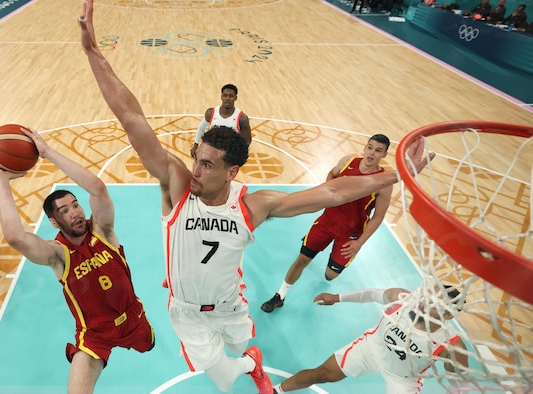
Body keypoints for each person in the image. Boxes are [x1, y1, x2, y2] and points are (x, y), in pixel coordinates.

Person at [78, 1, 434, 393]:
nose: (196, 170)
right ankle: (249, 365)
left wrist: (397, 174)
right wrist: (94, 54)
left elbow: (331, 192)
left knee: (237, 343)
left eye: (208, 165)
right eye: (197, 160)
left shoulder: (253, 204)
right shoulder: (178, 186)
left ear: (232, 172)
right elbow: (132, 119)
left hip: (232, 303)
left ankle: (249, 356)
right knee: (222, 378)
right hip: (187, 312)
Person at [0, 127, 155, 393]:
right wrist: (0, 177)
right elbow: (15, 237)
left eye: (75, 205)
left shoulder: (103, 231)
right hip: (95, 336)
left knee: (149, 345)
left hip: (134, 319)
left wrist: (48, 153)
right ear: (54, 222)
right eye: (65, 211)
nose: (75, 212)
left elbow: (98, 189)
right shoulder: (57, 254)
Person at [260, 134, 393, 313]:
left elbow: (378, 216)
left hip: (350, 234)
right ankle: (280, 296)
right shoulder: (348, 161)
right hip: (326, 223)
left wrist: (359, 243)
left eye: (378, 150)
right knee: (302, 259)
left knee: (330, 276)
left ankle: (333, 264)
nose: (371, 153)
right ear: (365, 147)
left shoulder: (383, 182)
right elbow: (333, 173)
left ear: (384, 155)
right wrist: (327, 192)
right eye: (370, 147)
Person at [271, 286, 468, 393]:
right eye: (427, 297)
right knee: (322, 374)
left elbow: (459, 381)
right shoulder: (403, 299)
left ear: (449, 315)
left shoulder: (451, 346)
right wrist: (337, 297)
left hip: (402, 378)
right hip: (371, 349)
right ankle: (275, 391)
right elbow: (372, 294)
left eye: (434, 304)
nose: (424, 304)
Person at [190, 84, 252, 158]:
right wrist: (196, 145)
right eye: (225, 95)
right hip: (211, 151)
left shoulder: (242, 118)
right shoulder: (211, 112)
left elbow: (246, 141)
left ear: (235, 98)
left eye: (231, 96)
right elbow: (201, 128)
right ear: (221, 96)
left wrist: (239, 155)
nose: (227, 98)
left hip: (228, 155)